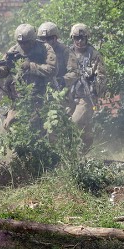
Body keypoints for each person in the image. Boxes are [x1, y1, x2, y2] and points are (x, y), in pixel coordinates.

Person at [0, 23, 57, 130]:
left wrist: (30, 66)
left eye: (26, 43)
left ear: (33, 40)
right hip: (19, 97)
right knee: (8, 125)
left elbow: (52, 69)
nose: (23, 45)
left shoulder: (45, 48)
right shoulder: (13, 51)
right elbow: (5, 70)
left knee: (38, 127)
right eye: (20, 42)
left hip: (42, 97)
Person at [69, 23, 106, 153]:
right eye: (76, 38)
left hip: (85, 95)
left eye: (82, 38)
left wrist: (95, 89)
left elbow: (102, 76)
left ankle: (81, 150)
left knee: (76, 122)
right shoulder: (68, 52)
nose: (79, 41)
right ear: (72, 38)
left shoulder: (94, 55)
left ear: (87, 38)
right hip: (68, 93)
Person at [37, 21, 79, 114]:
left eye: (48, 39)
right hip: (40, 90)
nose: (45, 42)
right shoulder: (37, 51)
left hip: (61, 91)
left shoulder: (64, 51)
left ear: (55, 38)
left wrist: (63, 80)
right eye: (42, 39)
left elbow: (75, 72)